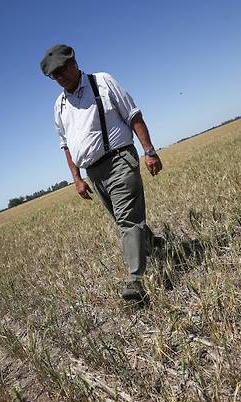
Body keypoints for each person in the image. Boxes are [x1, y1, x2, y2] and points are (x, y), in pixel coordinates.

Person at [40, 44, 163, 303]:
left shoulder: (102, 82)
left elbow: (133, 115)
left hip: (119, 160)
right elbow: (66, 146)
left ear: (74, 63)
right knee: (123, 220)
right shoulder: (59, 105)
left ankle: (136, 281)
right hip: (93, 173)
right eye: (54, 75)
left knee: (128, 219)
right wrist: (77, 178)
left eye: (62, 70)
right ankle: (158, 247)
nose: (60, 77)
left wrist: (149, 151)